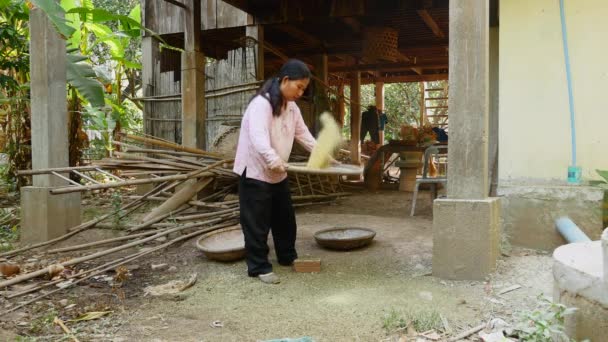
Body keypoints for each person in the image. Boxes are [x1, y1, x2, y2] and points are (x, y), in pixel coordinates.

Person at [233, 59, 317, 284]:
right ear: (285, 80)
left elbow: (303, 134)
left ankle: (287, 256)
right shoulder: (261, 104)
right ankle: (259, 266)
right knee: (256, 222)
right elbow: (258, 138)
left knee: (285, 219)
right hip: (255, 171)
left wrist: (322, 153)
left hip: (278, 173)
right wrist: (272, 158)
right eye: (299, 87)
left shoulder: (291, 107)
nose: (300, 92)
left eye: (303, 89)